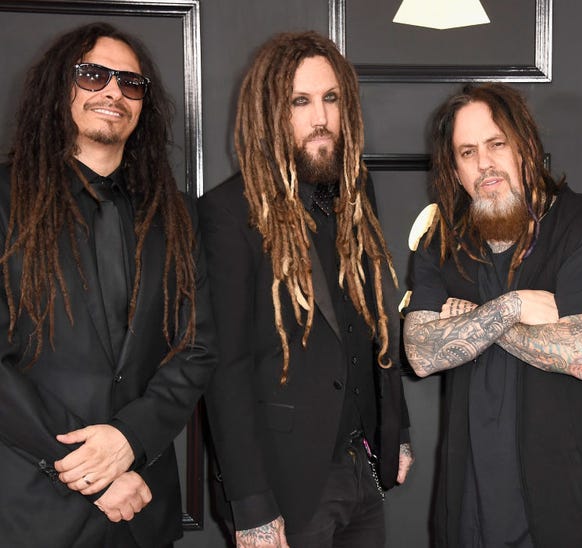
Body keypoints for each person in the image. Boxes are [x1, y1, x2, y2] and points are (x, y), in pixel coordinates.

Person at [0, 22, 217, 548]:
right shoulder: (4, 201)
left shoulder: (179, 214)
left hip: (144, 504)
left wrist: (129, 439)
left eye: (130, 82)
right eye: (93, 75)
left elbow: (198, 348)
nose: (113, 91)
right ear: (61, 88)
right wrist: (90, 468)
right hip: (33, 509)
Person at [199, 31, 412, 548]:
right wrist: (250, 507)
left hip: (362, 467)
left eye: (330, 99)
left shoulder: (358, 194)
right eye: (301, 101)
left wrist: (396, 429)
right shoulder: (229, 214)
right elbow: (223, 371)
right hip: (284, 485)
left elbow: (376, 318)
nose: (320, 117)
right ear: (271, 112)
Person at [403, 82, 582, 547]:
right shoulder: (443, 243)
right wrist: (513, 306)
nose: (484, 163)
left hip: (567, 507)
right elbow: (421, 352)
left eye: (496, 144)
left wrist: (473, 323)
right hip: (471, 509)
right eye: (467, 153)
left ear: (526, 147)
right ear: (455, 169)